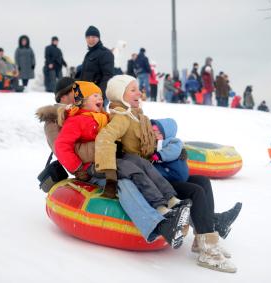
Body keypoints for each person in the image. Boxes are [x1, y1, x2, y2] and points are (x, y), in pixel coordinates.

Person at [95, 75, 239, 272]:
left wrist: (175, 152)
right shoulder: (121, 117)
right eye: (133, 90)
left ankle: (202, 238)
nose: (139, 92)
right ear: (121, 95)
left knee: (202, 181)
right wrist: (109, 171)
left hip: (156, 171)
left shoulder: (137, 115)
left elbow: (155, 142)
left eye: (138, 88)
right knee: (195, 191)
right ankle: (209, 252)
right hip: (147, 177)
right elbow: (105, 139)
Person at [36, 77, 191, 249]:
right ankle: (159, 225)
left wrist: (163, 146)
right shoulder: (57, 119)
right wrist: (83, 163)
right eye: (73, 92)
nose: (76, 94)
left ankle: (172, 207)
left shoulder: (100, 115)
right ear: (63, 97)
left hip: (111, 160)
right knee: (124, 182)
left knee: (137, 167)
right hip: (88, 169)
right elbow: (62, 147)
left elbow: (123, 130)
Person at [79, 26, 114, 104]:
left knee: (98, 116)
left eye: (93, 37)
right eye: (88, 37)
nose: (90, 39)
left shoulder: (105, 53)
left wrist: (100, 95)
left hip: (97, 97)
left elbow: (108, 76)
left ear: (98, 38)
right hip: (86, 95)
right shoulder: (88, 54)